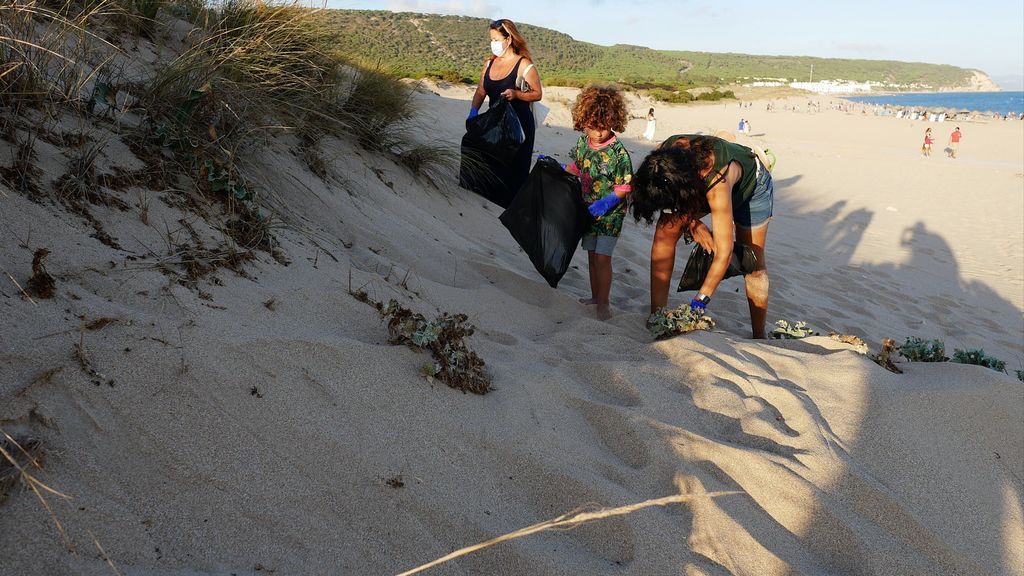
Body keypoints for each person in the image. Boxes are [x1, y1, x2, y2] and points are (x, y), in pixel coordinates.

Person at [631, 134, 774, 338]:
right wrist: (693, 223)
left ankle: (760, 336)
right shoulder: (662, 160)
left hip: (751, 189)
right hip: (691, 183)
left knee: (753, 262)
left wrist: (699, 302)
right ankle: (657, 314)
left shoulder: (717, 183)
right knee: (665, 234)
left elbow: (724, 253)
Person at [564, 86, 634, 320]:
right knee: (592, 256)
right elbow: (575, 166)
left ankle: (603, 303)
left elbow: (624, 188)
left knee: (603, 258)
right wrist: (557, 172)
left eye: (603, 127)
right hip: (587, 211)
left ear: (614, 120)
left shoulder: (619, 153)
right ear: (583, 122)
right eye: (592, 127)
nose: (598, 133)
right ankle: (595, 296)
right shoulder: (583, 143)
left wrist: (606, 203)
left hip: (610, 215)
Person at [468, 19, 543, 207]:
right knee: (485, 159)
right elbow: (480, 91)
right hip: (495, 123)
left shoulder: (524, 65)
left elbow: (537, 94)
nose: (493, 44)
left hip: (519, 127)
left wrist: (516, 94)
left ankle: (509, 211)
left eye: (496, 39)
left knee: (514, 171)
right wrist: (473, 111)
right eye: (491, 39)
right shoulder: (489, 64)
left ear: (508, 39)